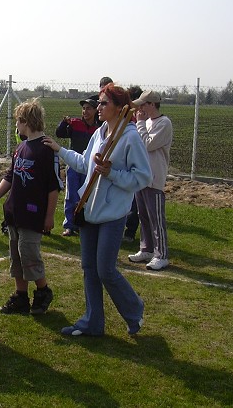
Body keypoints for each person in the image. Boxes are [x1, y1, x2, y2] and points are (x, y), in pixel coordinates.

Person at [44, 84, 152, 337]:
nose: (98, 107)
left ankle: (134, 310)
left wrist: (112, 173)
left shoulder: (130, 137)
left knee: (105, 270)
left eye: (104, 103)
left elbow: (143, 177)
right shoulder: (100, 133)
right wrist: (60, 150)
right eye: (99, 103)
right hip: (89, 211)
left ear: (119, 108)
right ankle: (92, 322)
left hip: (113, 214)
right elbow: (84, 164)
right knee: (89, 269)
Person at [0, 98, 61, 315]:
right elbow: (10, 177)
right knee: (16, 256)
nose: (16, 125)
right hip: (14, 212)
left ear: (26, 121)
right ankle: (21, 296)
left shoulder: (46, 149)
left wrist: (49, 216)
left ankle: (43, 291)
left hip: (32, 214)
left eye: (18, 121)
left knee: (29, 254)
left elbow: (53, 187)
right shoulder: (21, 147)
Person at [128, 90, 173, 270]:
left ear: (152, 105)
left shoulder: (164, 123)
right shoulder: (146, 122)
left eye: (143, 105)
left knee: (156, 219)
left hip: (155, 177)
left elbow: (147, 144)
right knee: (143, 215)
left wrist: (139, 123)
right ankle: (146, 248)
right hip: (142, 176)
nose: (140, 109)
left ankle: (161, 254)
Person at [55, 96, 101, 237]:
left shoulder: (99, 128)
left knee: (87, 196)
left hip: (89, 167)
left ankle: (83, 223)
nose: (85, 111)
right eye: (83, 108)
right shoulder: (75, 124)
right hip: (74, 165)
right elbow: (59, 133)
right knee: (71, 195)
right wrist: (64, 123)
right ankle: (70, 225)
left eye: (88, 109)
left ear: (95, 111)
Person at [123, 85, 143, 243]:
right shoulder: (127, 116)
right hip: (125, 163)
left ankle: (130, 232)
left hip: (136, 165)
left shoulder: (141, 119)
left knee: (135, 202)